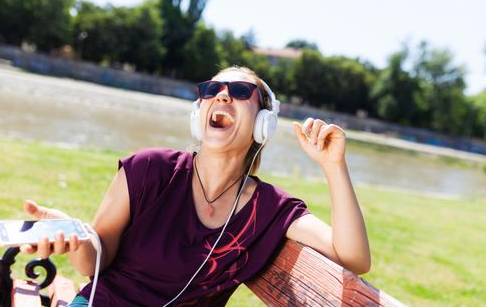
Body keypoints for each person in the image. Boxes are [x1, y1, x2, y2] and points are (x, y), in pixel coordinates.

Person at [21, 66, 371, 306]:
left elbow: (354, 256)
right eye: (210, 90)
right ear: (198, 111)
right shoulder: (149, 169)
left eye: (238, 91)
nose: (221, 96)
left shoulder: (270, 209)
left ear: (263, 125)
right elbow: (94, 262)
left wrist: (333, 166)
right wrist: (77, 235)